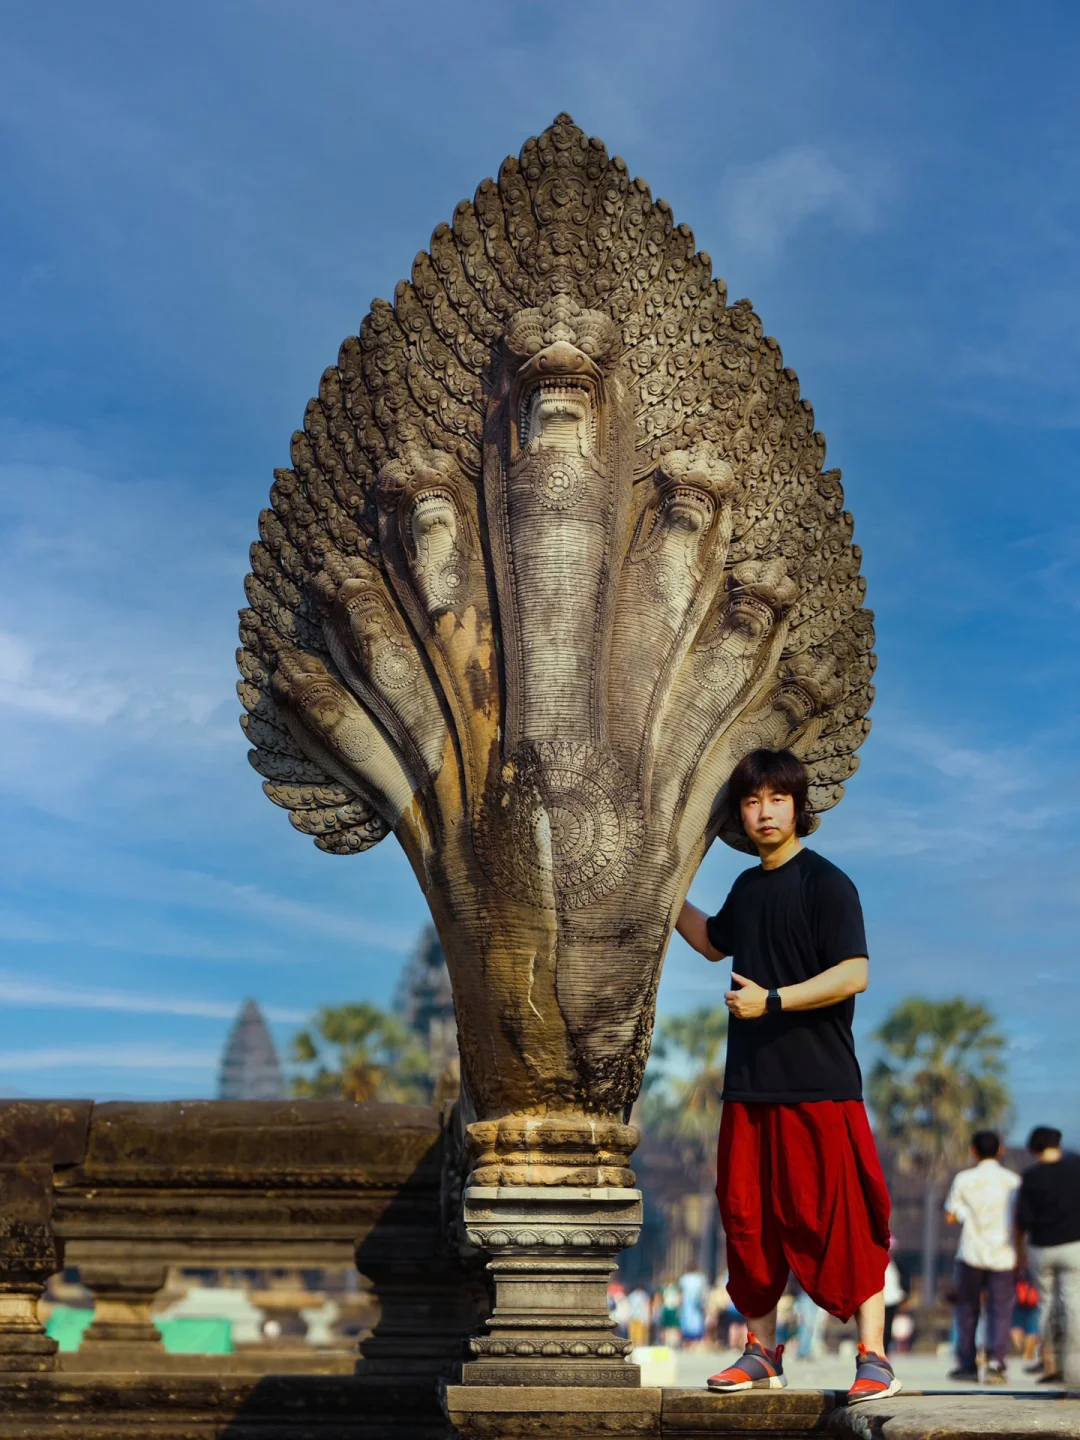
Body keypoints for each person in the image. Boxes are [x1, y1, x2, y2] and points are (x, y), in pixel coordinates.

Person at [676, 748, 899, 1404]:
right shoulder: (747, 889)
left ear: (800, 807)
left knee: (844, 1218)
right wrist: (664, 895)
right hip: (750, 1086)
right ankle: (761, 1350)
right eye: (752, 801)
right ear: (741, 815)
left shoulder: (827, 884)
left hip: (821, 1085)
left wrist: (772, 1001)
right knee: (749, 1221)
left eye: (777, 798)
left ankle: (875, 1355)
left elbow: (854, 972)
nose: (764, 811)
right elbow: (713, 941)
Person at [943, 1129, 1020, 1384]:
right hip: (1004, 1254)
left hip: (971, 1253)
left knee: (967, 1309)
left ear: (973, 1151)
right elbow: (1020, 1220)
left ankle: (966, 1364)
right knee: (1001, 1310)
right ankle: (997, 1362)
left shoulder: (964, 1179)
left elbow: (950, 1216)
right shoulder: (1013, 1181)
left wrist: (967, 1213)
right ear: (1001, 1150)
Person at [1016, 1126, 1080, 1387]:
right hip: (1074, 1246)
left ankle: (1051, 1362)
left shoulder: (1030, 1177)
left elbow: (1022, 1220)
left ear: (1032, 1149)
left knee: (1046, 1303)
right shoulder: (1077, 1170)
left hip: (1041, 1247)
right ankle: (1075, 1367)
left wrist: (1020, 1252)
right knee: (1074, 1302)